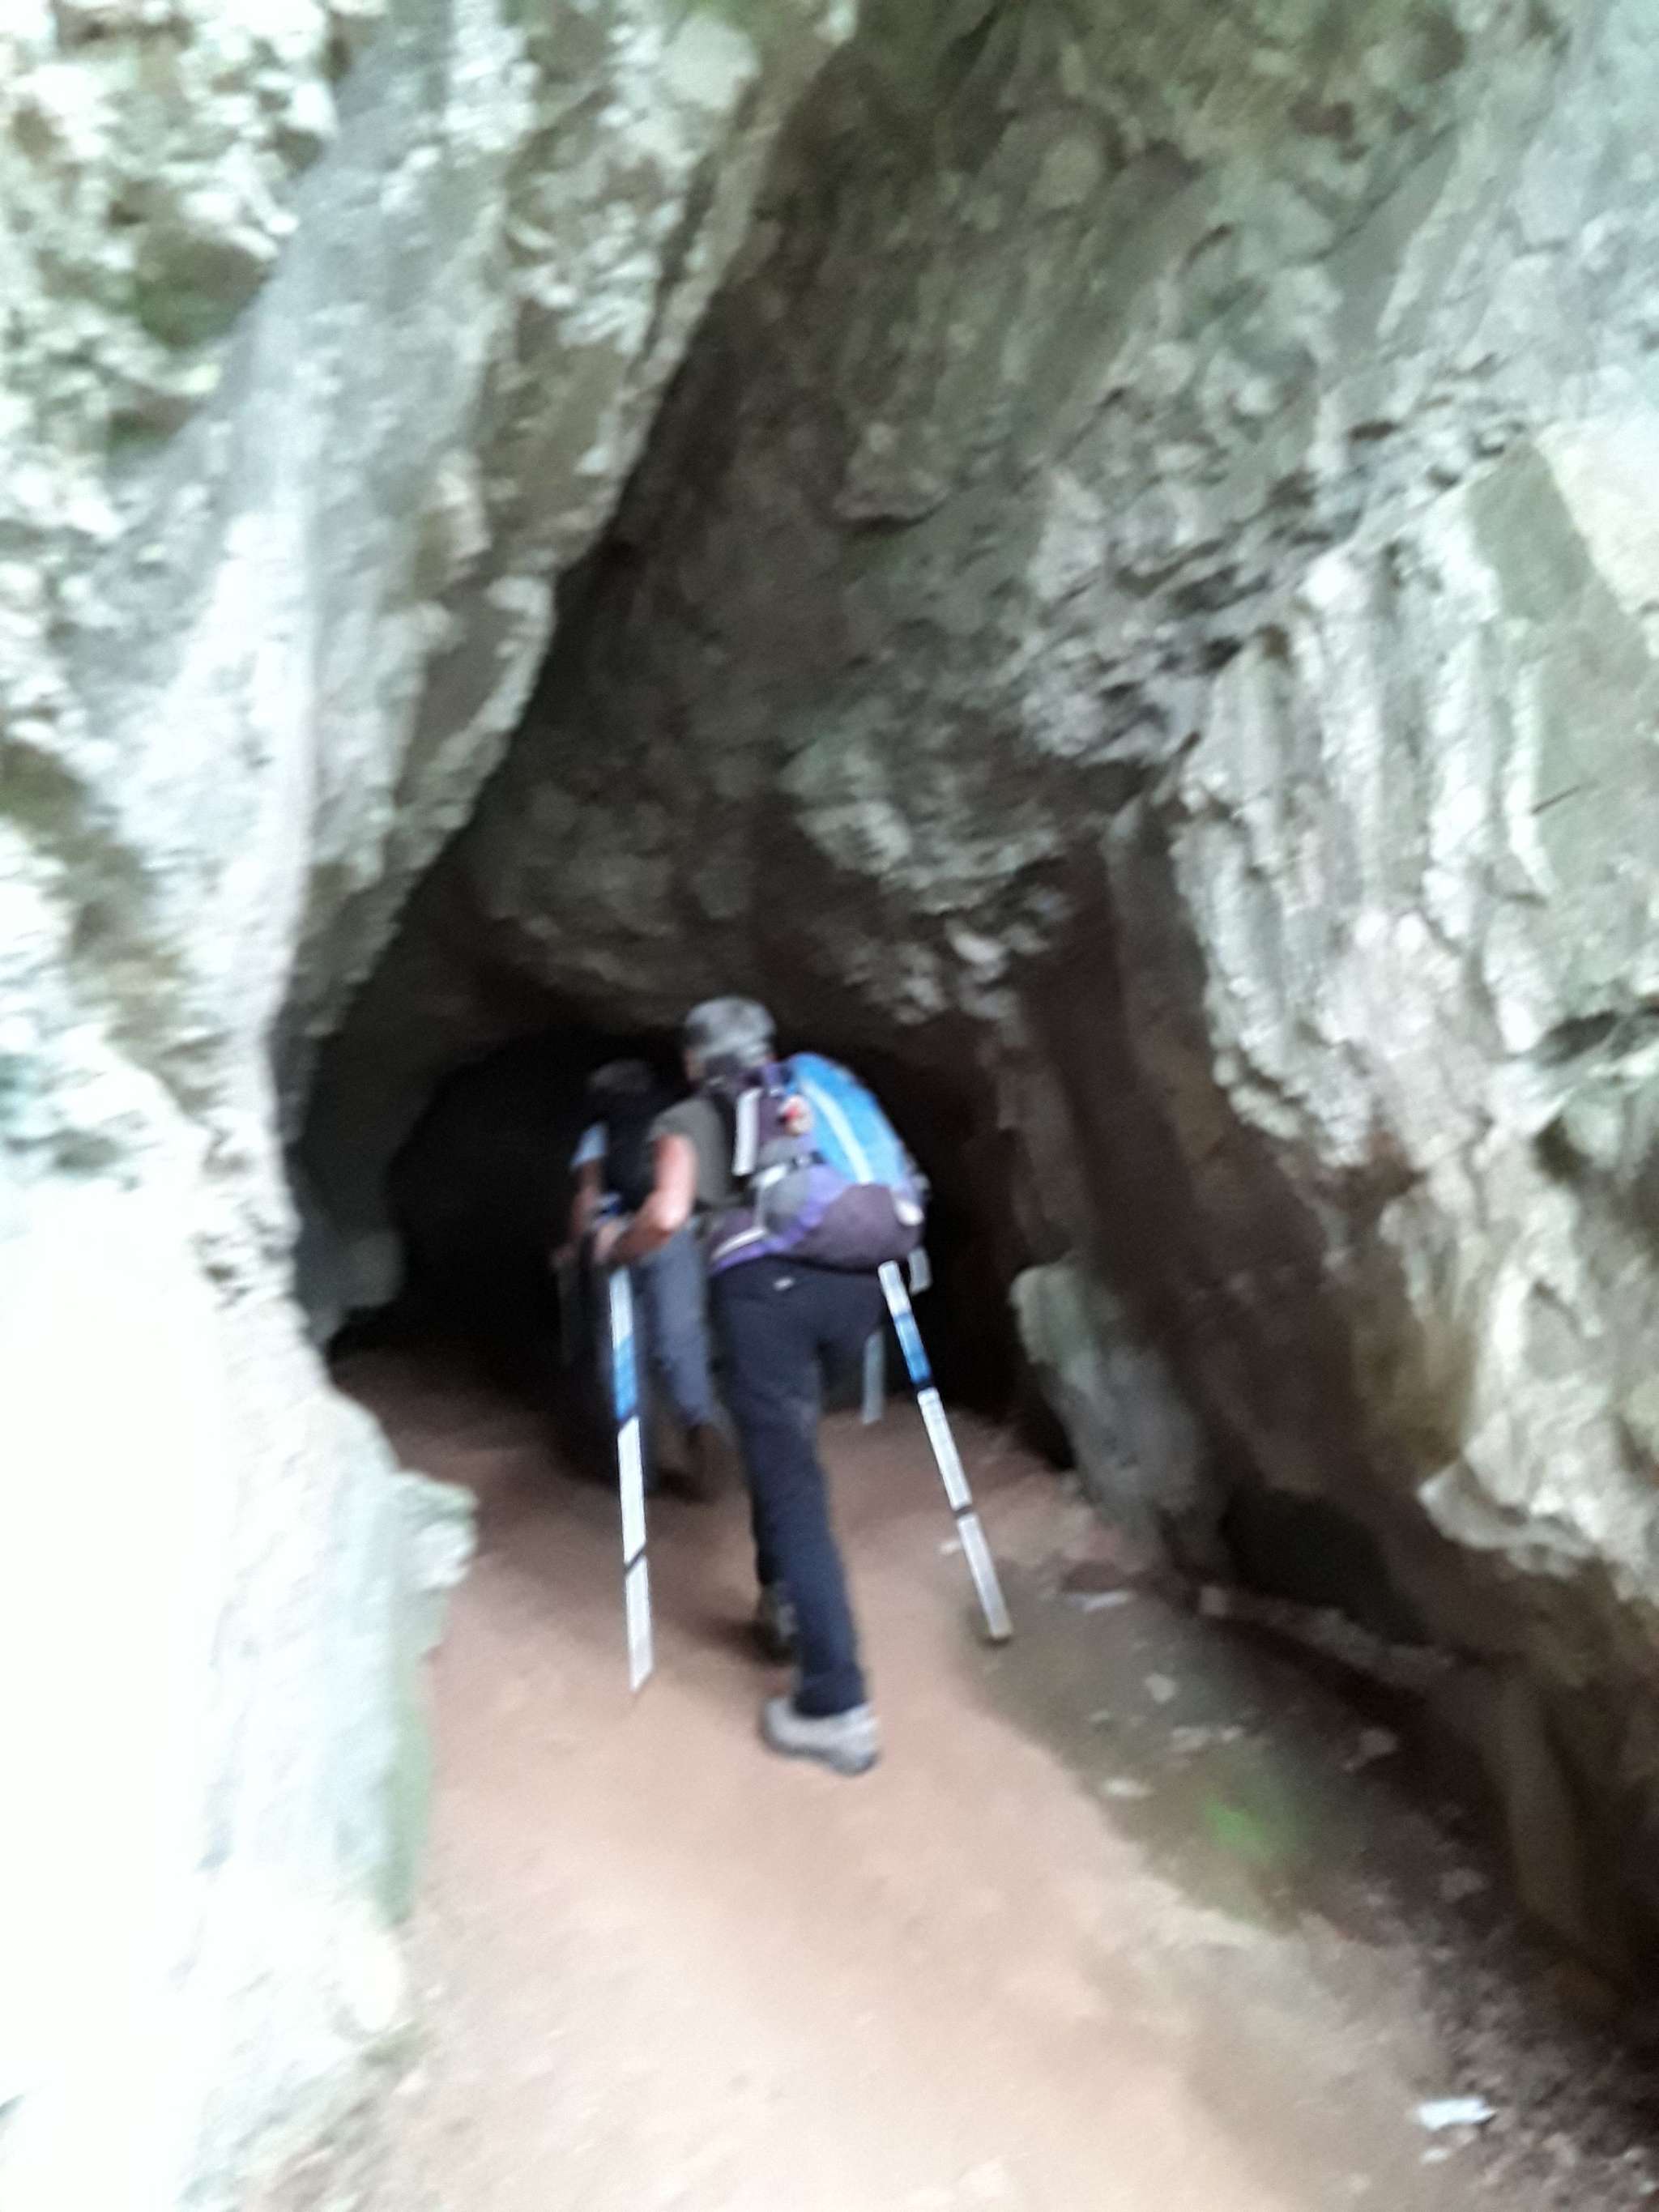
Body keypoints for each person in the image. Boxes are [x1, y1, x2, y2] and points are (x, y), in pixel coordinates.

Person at [592, 1000, 884, 1776]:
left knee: (791, 1486)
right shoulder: (809, 1093)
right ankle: (782, 1600)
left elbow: (668, 1213)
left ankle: (837, 1706)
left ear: (694, 1061)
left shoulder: (687, 1117)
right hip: (854, 1291)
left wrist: (617, 1244)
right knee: (784, 1447)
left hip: (769, 1295)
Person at [567, 1059, 727, 1503]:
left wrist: (581, 1246)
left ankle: (637, 1471)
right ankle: (705, 1444)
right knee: (680, 1343)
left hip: (615, 1239)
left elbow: (587, 1195)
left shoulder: (599, 1132)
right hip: (673, 1238)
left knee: (621, 1356)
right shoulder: (674, 1120)